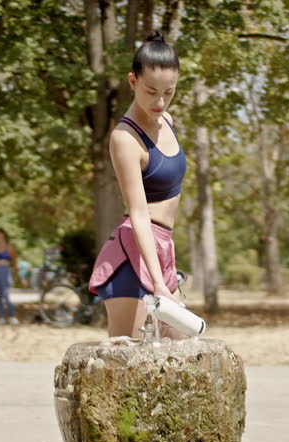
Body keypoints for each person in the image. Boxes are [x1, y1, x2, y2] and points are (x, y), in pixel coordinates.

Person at [88, 30, 187, 339]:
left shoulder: (167, 120)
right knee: (124, 372)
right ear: (133, 82)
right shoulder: (124, 138)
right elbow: (139, 213)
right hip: (134, 257)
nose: (159, 101)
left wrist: (165, 274)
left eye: (168, 92)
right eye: (150, 91)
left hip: (162, 248)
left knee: (183, 354)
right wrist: (157, 282)